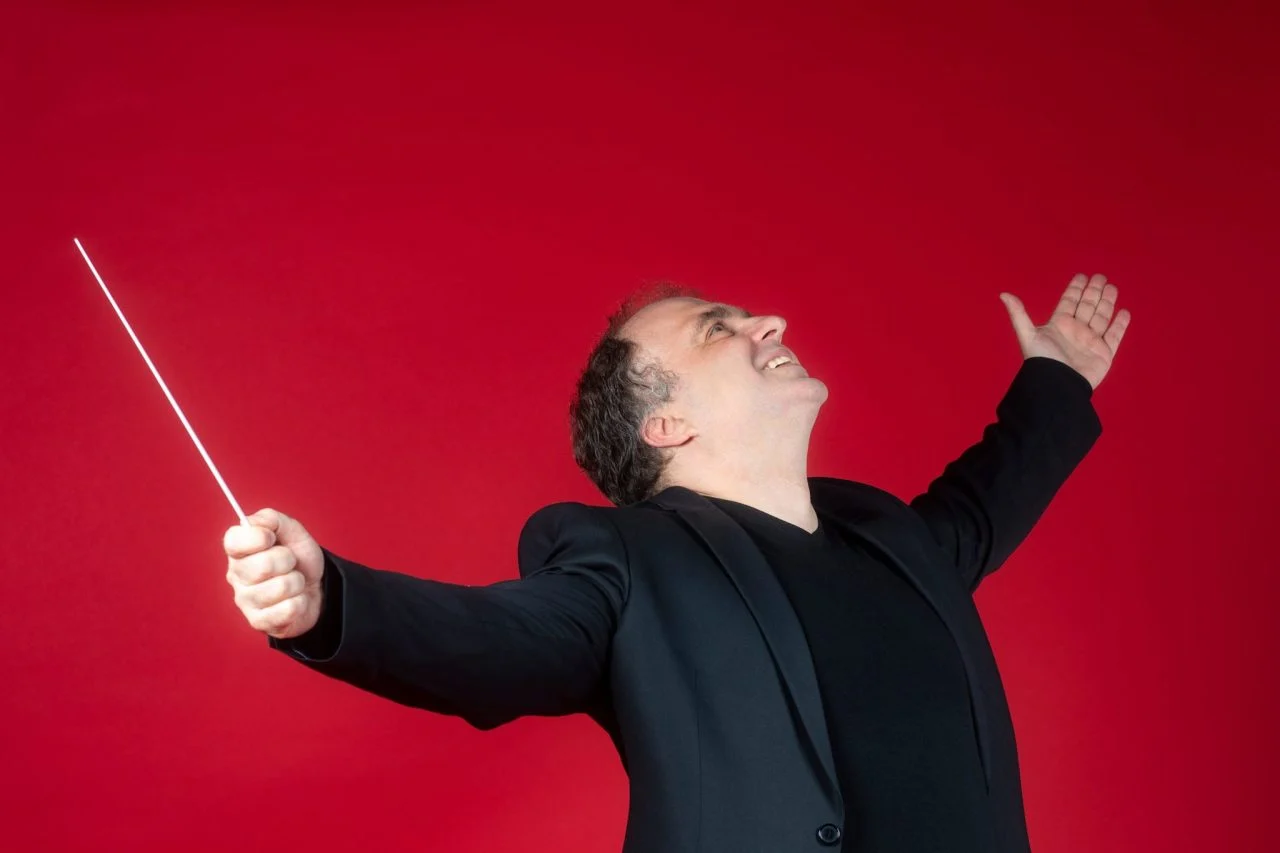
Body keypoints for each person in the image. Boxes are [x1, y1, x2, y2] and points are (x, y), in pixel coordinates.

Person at [224, 273, 1130, 853]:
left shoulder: (888, 533)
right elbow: (496, 636)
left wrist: (1061, 376)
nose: (768, 321)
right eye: (716, 328)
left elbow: (982, 503)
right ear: (666, 424)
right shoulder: (625, 558)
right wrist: (330, 600)